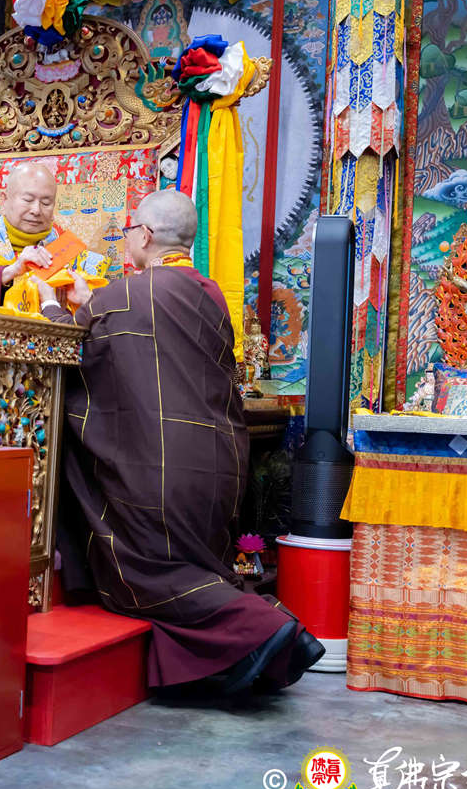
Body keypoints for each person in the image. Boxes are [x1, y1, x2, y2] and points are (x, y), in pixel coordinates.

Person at [35, 189, 323, 698]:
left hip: (159, 471)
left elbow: (75, 353)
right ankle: (246, 654)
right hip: (218, 464)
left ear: (145, 235)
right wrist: (92, 304)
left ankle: (268, 627)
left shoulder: (127, 295)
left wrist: (55, 306)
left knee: (146, 573)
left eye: (130, 231)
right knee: (197, 566)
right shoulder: (210, 294)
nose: (128, 239)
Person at [0, 163, 95, 306]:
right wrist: (11, 271)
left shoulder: (80, 259)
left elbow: (98, 314)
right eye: (28, 200)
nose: (36, 210)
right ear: (4, 201)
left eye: (46, 203)